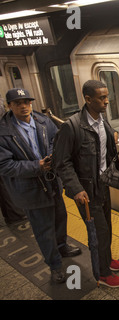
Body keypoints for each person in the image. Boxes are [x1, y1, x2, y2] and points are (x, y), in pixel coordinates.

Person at [0, 88, 81, 283]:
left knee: (60, 217)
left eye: (27, 102)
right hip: (30, 190)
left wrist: (54, 156)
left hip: (52, 182)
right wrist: (37, 166)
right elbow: (5, 165)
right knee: (43, 230)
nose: (24, 106)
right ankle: (54, 265)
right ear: (8, 106)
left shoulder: (43, 121)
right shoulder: (3, 132)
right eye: (18, 103)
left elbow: (56, 141)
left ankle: (62, 246)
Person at [53, 80, 119, 288]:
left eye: (107, 97)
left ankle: (106, 257)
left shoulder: (102, 120)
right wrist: (76, 189)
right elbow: (62, 162)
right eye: (101, 98)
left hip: (102, 183)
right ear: (88, 99)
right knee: (98, 233)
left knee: (107, 227)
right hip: (86, 191)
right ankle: (102, 273)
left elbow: (105, 146)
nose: (106, 101)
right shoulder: (72, 126)